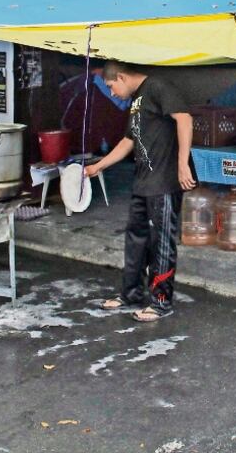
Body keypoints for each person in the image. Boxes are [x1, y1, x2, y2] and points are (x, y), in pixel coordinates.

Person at [84, 61, 196, 322]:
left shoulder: (158, 87)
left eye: (111, 87)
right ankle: (132, 293)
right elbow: (128, 141)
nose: (112, 93)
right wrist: (98, 167)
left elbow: (185, 119)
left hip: (165, 182)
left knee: (162, 242)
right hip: (143, 182)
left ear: (121, 77)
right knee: (135, 240)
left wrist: (182, 164)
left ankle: (161, 302)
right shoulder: (136, 102)